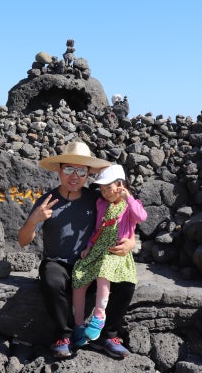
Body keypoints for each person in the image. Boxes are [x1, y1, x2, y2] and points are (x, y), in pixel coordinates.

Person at [18, 141, 137, 359]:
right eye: (69, 169)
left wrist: (132, 241)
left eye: (81, 170)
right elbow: (23, 241)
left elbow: (125, 216)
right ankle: (64, 335)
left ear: (89, 174)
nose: (75, 175)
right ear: (60, 170)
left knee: (126, 283)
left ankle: (108, 336)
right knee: (52, 279)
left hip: (92, 261)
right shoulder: (48, 200)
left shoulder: (98, 199)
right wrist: (34, 220)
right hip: (58, 262)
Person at [70, 164, 147, 347]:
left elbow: (141, 217)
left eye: (109, 188)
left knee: (105, 271)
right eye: (102, 189)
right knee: (79, 275)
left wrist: (128, 197)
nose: (105, 193)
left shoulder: (130, 205)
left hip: (115, 252)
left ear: (120, 185)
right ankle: (78, 325)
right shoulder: (101, 204)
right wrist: (89, 246)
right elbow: (98, 229)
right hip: (98, 248)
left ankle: (98, 316)